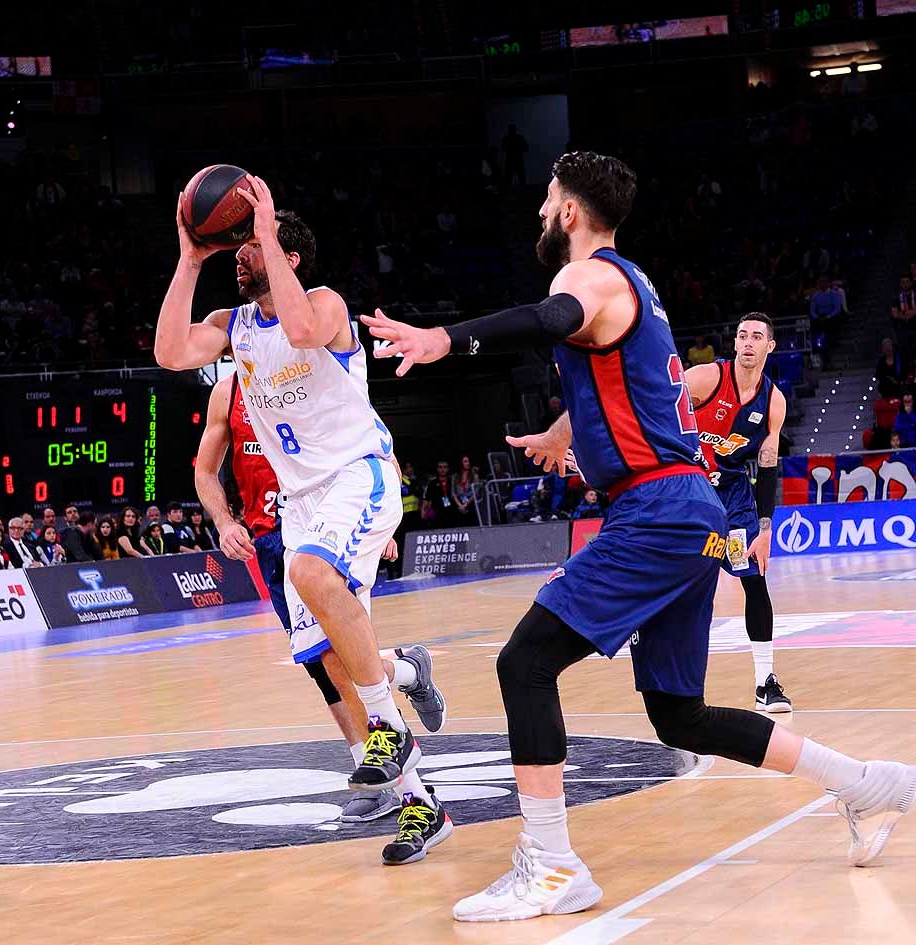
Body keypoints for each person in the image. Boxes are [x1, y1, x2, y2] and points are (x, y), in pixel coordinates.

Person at [361, 151, 915, 921]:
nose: (540, 212)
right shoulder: (635, 286)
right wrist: (565, 428)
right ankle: (865, 782)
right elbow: (630, 382)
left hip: (655, 510)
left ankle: (552, 866)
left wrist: (447, 339)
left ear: (573, 212)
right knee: (677, 714)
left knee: (524, 662)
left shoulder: (580, 278)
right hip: (688, 508)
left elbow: (550, 320)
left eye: (549, 199)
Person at [156, 179, 451, 866]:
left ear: (286, 253)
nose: (241, 254)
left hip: (357, 475)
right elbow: (171, 352)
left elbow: (300, 330)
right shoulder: (234, 325)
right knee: (336, 661)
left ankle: (389, 716)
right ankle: (419, 783)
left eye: (252, 246)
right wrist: (189, 258)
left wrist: (265, 226)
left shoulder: (324, 304)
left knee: (310, 572)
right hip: (303, 505)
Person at [196, 376, 445, 823]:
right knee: (323, 664)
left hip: (330, 520)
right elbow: (204, 469)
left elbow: (378, 445)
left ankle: (392, 783)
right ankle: (407, 671)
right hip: (272, 537)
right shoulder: (228, 391)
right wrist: (223, 520)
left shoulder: (310, 374)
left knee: (338, 659)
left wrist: (382, 525)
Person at [686, 312, 792, 712]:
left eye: (757, 336)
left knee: (755, 580)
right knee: (687, 584)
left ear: (770, 346)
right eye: (742, 335)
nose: (748, 341)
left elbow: (767, 465)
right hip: (688, 493)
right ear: (734, 344)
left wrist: (765, 528)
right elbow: (655, 404)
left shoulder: (773, 402)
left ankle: (766, 681)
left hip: (732, 499)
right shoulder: (705, 378)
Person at [422, 460, 455, 527]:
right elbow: (427, 498)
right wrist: (423, 511)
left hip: (452, 512)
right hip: (437, 513)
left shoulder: (452, 481)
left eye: (445, 467)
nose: (442, 469)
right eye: (440, 467)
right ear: (437, 469)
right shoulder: (432, 483)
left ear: (448, 469)